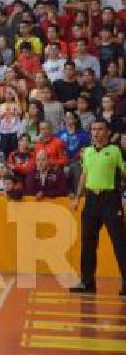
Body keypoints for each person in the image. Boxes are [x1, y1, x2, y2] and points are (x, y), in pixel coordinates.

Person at [69, 120, 126, 295]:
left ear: (108, 132)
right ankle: (87, 282)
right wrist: (78, 198)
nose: (96, 132)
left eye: (100, 129)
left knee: (120, 242)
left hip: (111, 199)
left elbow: (124, 174)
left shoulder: (116, 151)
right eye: (93, 129)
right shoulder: (87, 152)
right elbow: (84, 175)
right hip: (92, 200)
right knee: (87, 242)